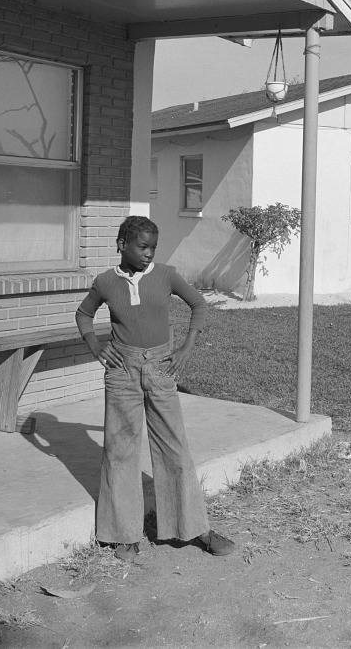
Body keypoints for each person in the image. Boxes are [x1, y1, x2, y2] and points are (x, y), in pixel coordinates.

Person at [75, 216, 236, 563]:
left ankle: (195, 529)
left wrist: (186, 348)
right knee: (120, 453)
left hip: (162, 368)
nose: (149, 254)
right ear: (122, 245)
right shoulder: (105, 282)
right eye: (142, 247)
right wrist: (95, 345)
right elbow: (83, 314)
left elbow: (199, 304)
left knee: (175, 449)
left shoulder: (166, 275)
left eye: (153, 248)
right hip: (122, 373)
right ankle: (124, 536)